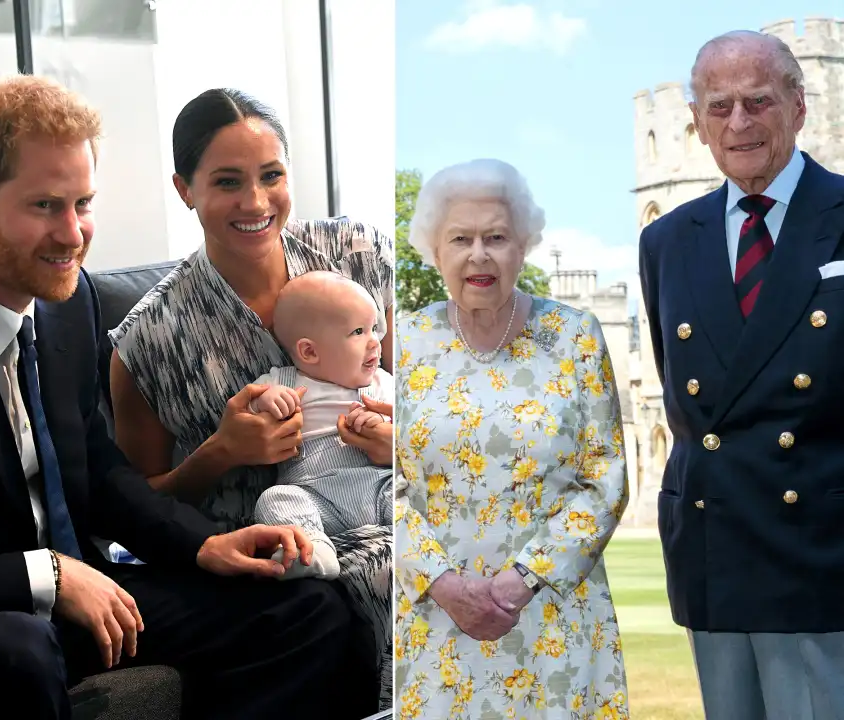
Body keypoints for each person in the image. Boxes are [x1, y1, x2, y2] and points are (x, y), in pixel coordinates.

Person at [0, 74, 369, 720]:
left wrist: (205, 545)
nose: (73, 234)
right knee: (14, 653)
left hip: (88, 585)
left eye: (83, 203)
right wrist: (46, 574)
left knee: (306, 609)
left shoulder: (67, 305)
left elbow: (100, 470)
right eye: (45, 206)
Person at [107, 88, 393, 709]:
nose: (256, 202)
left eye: (271, 176)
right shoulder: (148, 339)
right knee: (391, 573)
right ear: (185, 189)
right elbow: (132, 508)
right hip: (271, 554)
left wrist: (400, 440)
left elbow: (425, 400)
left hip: (387, 497)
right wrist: (221, 452)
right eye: (228, 181)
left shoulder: (359, 256)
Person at [639, 29, 844, 720]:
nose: (739, 123)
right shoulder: (666, 240)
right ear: (696, 123)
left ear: (798, 106)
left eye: (758, 101)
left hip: (822, 552)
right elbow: (686, 397)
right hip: (714, 550)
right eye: (719, 107)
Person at [395, 158, 630, 719]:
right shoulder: (404, 341)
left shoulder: (575, 336)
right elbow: (384, 483)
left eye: (496, 237)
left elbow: (606, 478)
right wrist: (443, 583)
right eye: (461, 239)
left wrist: (523, 579)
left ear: (523, 247)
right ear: (435, 251)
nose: (479, 254)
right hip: (436, 623)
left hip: (553, 618)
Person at [250, 271, 394, 580]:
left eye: (374, 328)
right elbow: (246, 409)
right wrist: (266, 401)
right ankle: (314, 550)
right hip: (314, 495)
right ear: (309, 352)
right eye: (358, 331)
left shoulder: (382, 382)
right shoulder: (283, 382)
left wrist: (384, 422)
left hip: (379, 487)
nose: (375, 341)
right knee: (274, 499)